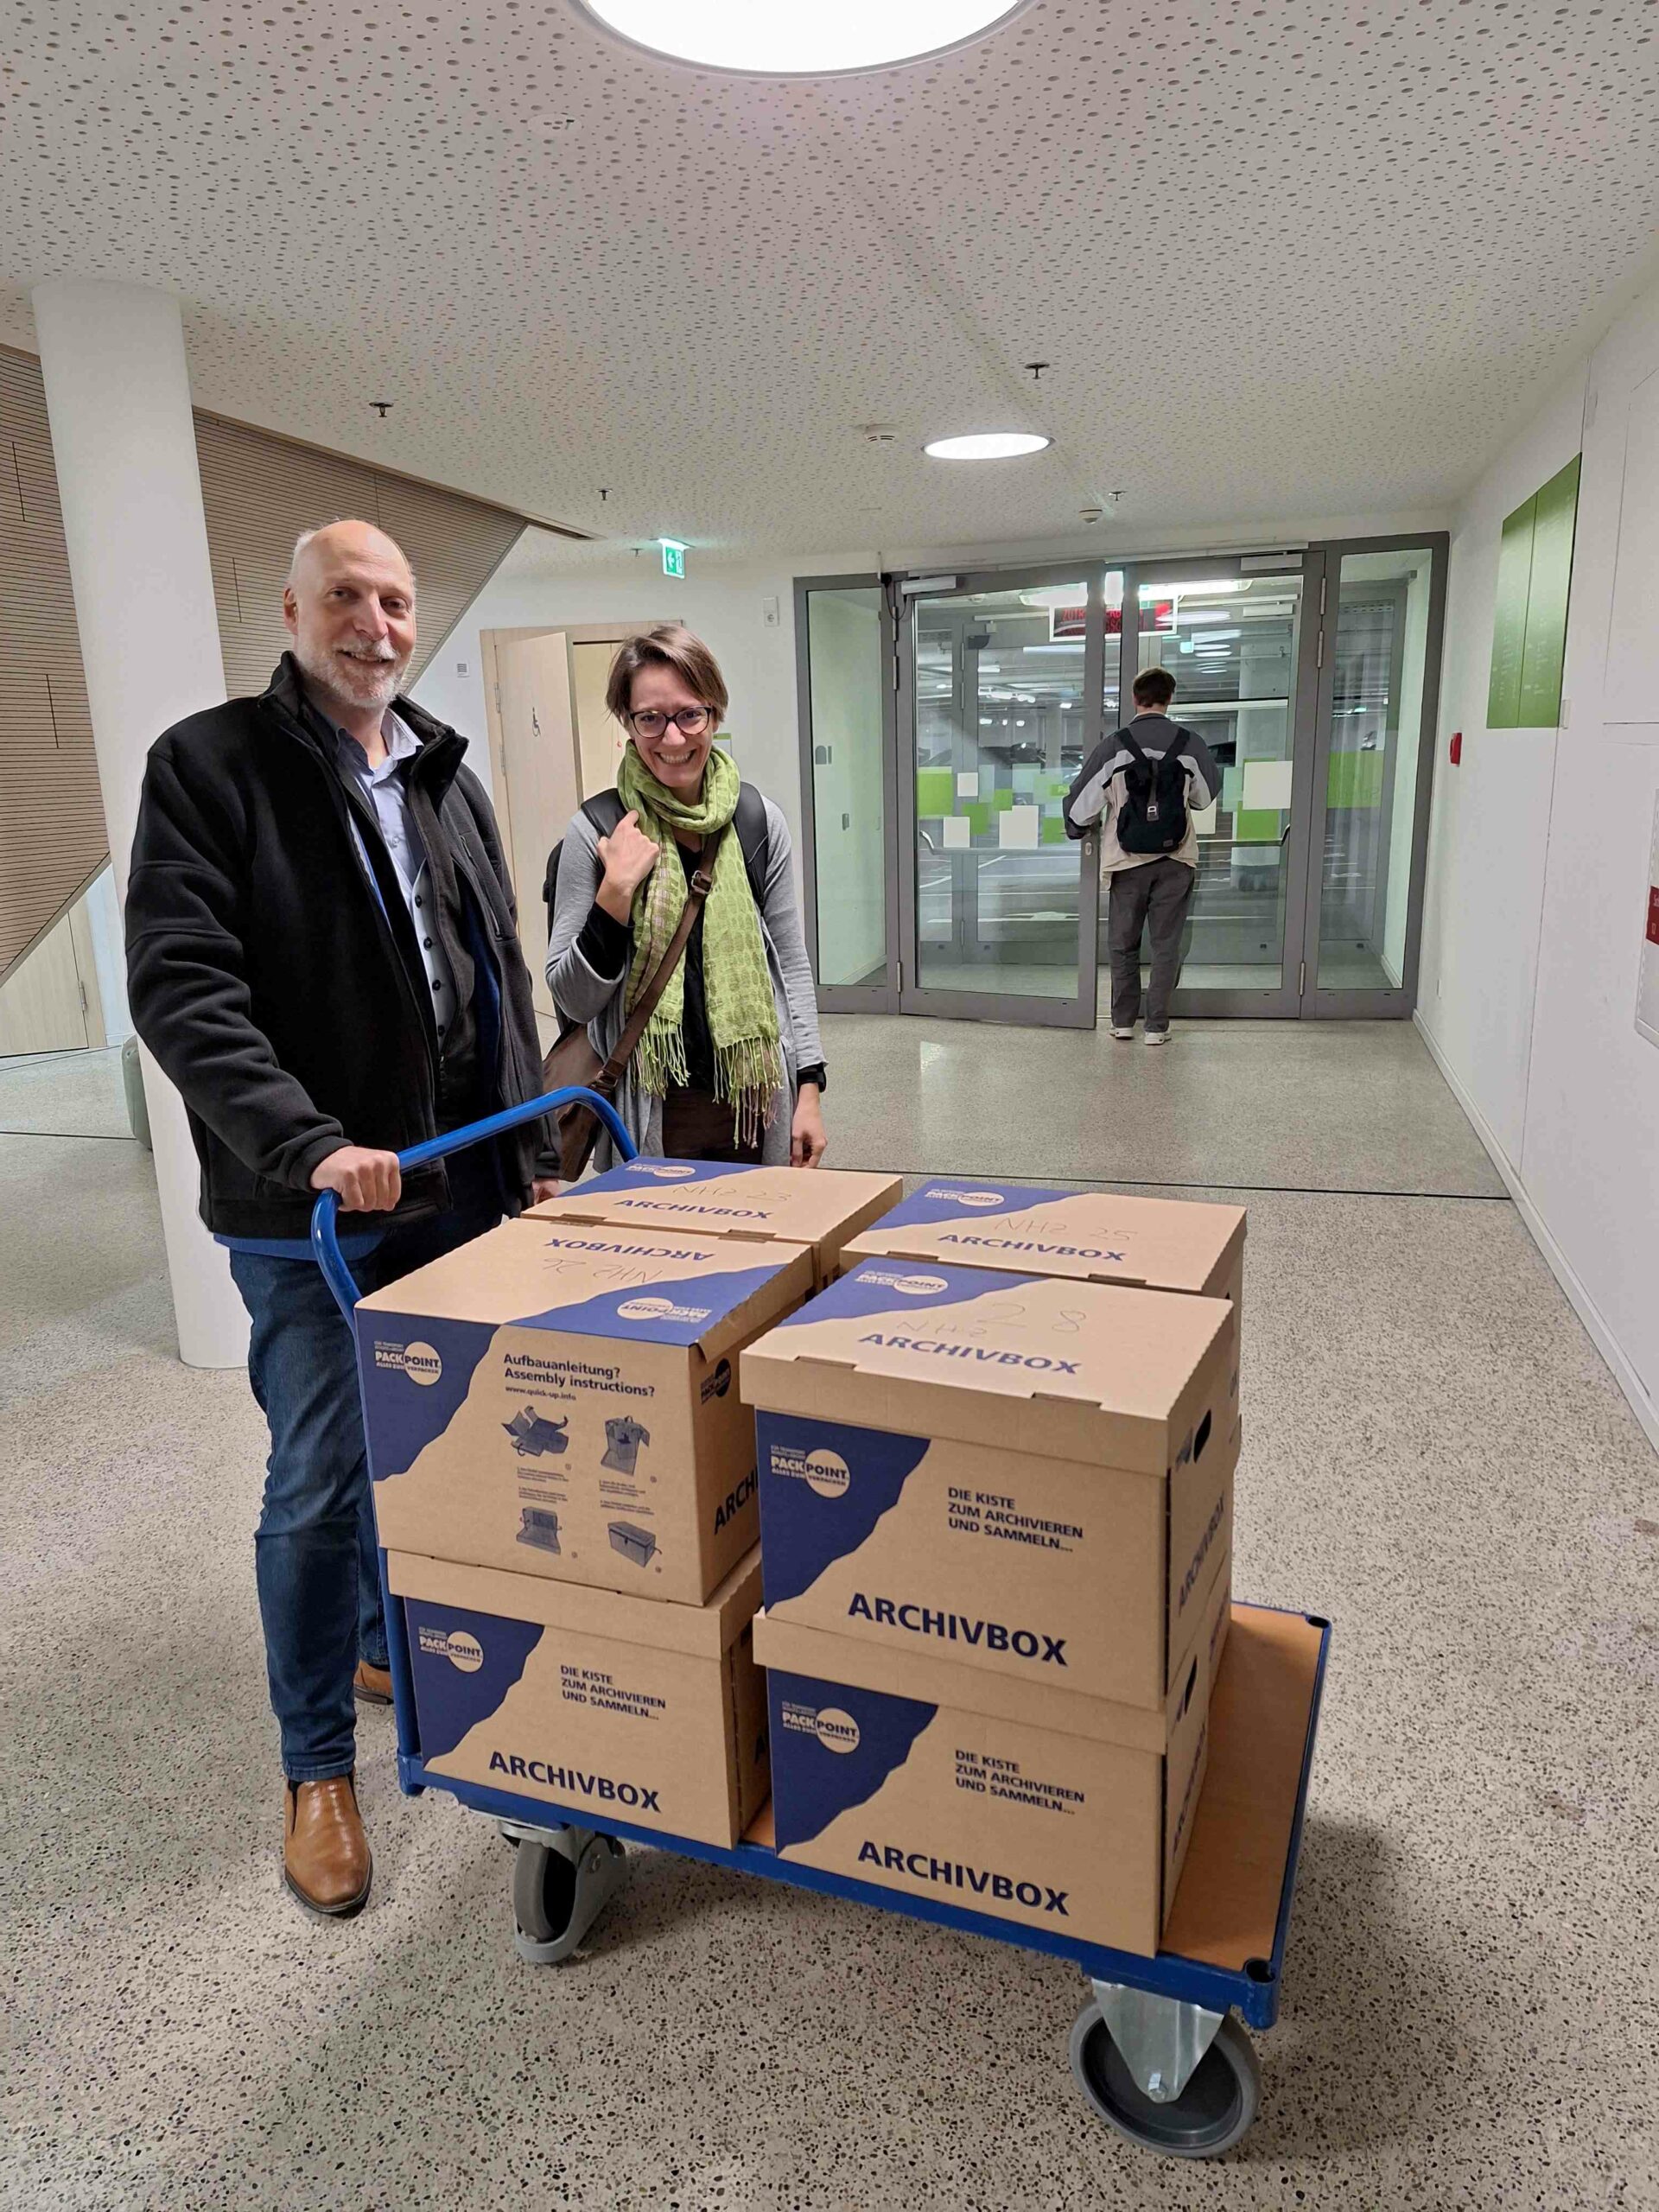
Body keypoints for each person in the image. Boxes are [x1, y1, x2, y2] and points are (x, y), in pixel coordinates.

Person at [125, 519, 557, 1921]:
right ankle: (316, 1770)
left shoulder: (443, 773)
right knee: (319, 1477)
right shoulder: (210, 767)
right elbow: (182, 986)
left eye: (397, 600)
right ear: (293, 609)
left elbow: (493, 973)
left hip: (454, 1187)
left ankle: (388, 1643)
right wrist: (309, 1145)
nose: (377, 623)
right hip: (309, 1208)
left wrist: (530, 1152)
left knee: (433, 1447)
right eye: (347, 597)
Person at [547, 624, 828, 1166]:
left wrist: (809, 1089)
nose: (673, 739)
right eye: (650, 718)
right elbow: (573, 999)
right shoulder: (598, 828)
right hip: (652, 1101)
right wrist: (615, 894)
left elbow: (791, 964)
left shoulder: (756, 821)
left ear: (714, 715)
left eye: (689, 715)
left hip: (756, 1097)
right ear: (628, 724)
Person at [1065, 666, 1219, 1046]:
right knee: (1167, 946)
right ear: (1170, 698)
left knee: (1123, 945)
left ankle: (1122, 1023)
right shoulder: (1191, 744)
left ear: (1135, 699)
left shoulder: (1114, 745)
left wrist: (1079, 829)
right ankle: (1156, 1027)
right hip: (1176, 860)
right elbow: (1204, 798)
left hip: (1126, 861)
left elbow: (1079, 809)